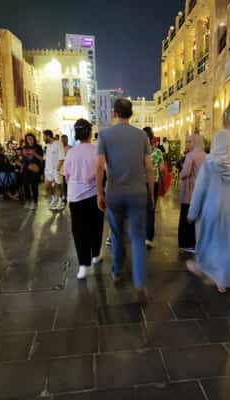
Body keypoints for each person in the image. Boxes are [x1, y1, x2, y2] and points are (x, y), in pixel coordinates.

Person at [96, 98, 154, 298]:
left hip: (115, 192)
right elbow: (149, 168)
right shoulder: (141, 136)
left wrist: (99, 193)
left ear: (115, 113)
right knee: (138, 238)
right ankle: (139, 282)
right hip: (138, 193)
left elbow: (99, 167)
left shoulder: (104, 135)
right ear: (131, 114)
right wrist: (152, 195)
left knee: (117, 234)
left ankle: (118, 272)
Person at [186, 130, 230, 293]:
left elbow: (199, 190)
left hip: (211, 209)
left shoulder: (209, 163)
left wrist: (192, 213)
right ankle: (224, 280)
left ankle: (204, 268)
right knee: (228, 245)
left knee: (209, 241)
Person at [65, 119, 104, 280]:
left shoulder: (71, 152)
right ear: (89, 133)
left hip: (75, 196)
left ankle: (82, 265)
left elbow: (66, 175)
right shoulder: (96, 151)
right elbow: (103, 172)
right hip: (94, 194)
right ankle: (95, 255)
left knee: (79, 230)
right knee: (96, 226)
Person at [178, 134, 206, 253]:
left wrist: (180, 173)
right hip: (202, 189)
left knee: (187, 214)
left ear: (194, 142)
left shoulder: (191, 155)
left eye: (189, 141)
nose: (187, 144)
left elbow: (185, 173)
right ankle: (197, 241)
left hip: (190, 189)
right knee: (198, 216)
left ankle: (187, 243)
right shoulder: (205, 155)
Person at [145, 134, 165, 248]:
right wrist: (163, 184)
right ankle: (148, 238)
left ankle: (139, 235)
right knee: (151, 210)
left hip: (140, 184)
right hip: (154, 183)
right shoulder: (157, 152)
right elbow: (161, 170)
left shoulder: (139, 151)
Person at [43, 130, 64, 210]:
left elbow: (62, 158)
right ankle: (54, 198)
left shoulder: (58, 144)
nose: (43, 138)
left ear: (48, 136)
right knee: (47, 186)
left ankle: (60, 200)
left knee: (59, 187)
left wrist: (57, 169)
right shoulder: (48, 145)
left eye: (44, 136)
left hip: (56, 170)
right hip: (48, 170)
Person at [22, 133, 43, 210]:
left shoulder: (38, 147)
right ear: (26, 140)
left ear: (34, 139)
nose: (30, 140)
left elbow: (41, 158)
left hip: (35, 168)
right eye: (28, 139)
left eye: (31, 138)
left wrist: (34, 153)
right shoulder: (24, 147)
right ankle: (28, 201)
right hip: (26, 168)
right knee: (26, 185)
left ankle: (35, 202)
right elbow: (23, 158)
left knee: (34, 186)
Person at [61, 134, 72, 204]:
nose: (64, 140)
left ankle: (70, 196)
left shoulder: (70, 148)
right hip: (62, 169)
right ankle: (65, 196)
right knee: (64, 184)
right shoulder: (60, 148)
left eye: (66, 139)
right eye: (63, 139)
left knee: (69, 183)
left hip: (70, 168)